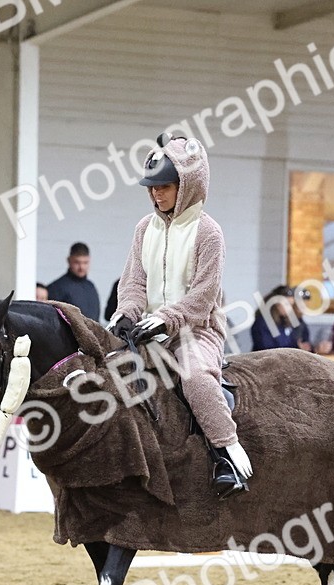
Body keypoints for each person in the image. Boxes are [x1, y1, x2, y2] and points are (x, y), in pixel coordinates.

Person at [109, 133, 251, 499]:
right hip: (148, 331)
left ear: (188, 184)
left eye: (165, 187)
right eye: (152, 188)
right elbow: (133, 282)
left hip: (196, 331)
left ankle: (228, 455)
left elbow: (203, 298)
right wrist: (127, 313)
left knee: (196, 380)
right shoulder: (144, 228)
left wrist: (165, 319)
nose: (157, 195)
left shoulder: (209, 232)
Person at [46, 242, 100, 320]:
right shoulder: (56, 288)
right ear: (69, 260)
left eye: (85, 262)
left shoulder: (91, 287)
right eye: (77, 262)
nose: (81, 267)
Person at [252, 286, 311, 351]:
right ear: (276, 303)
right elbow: (267, 349)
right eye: (286, 304)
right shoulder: (262, 323)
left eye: (291, 305)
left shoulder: (287, 321)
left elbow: (302, 341)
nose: (290, 308)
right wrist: (296, 347)